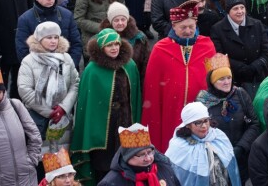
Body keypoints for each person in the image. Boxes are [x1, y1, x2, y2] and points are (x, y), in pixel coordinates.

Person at [141, 0, 216, 152]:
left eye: (191, 26)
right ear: (173, 26)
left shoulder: (207, 46)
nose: (188, 31)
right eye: (183, 27)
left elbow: (214, 79)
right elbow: (152, 89)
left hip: (199, 113)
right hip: (170, 110)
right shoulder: (161, 49)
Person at [70, 28, 141, 184]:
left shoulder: (129, 65)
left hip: (126, 120)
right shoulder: (92, 70)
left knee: (126, 162)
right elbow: (87, 105)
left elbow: (134, 97)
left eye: (116, 44)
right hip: (103, 127)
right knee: (105, 164)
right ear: (102, 48)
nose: (114, 48)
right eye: (110, 45)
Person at [195, 53, 260, 184]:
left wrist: (241, 147)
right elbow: (197, 133)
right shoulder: (202, 102)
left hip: (240, 157)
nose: (226, 82)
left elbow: (254, 123)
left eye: (229, 77)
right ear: (212, 82)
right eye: (221, 79)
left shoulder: (241, 94)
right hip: (216, 160)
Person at [17, 22, 79, 148]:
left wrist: (63, 108)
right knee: (40, 154)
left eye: (56, 37)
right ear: (39, 40)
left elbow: (75, 84)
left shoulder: (66, 58)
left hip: (63, 117)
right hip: (38, 117)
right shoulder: (29, 61)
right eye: (49, 38)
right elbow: (25, 89)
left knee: (61, 153)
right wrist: (49, 111)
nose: (53, 41)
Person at [210, 0, 268, 98]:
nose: (240, 12)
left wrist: (255, 66)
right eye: (235, 9)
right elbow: (219, 56)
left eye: (242, 7)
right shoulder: (217, 29)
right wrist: (240, 67)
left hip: (257, 77)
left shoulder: (257, 24)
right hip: (233, 79)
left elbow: (267, 52)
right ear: (228, 11)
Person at [165, 102, 241, 185]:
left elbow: (232, 172)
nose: (204, 126)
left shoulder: (219, 137)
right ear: (187, 125)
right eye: (198, 122)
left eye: (206, 120)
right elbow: (173, 177)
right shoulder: (178, 147)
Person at [16, 0, 82, 68]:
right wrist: (38, 70)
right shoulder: (25, 19)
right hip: (38, 71)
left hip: (66, 68)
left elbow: (76, 45)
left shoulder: (67, 15)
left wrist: (69, 66)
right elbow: (22, 50)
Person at [98, 123, 181, 185]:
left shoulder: (165, 169)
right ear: (127, 156)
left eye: (150, 152)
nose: (148, 158)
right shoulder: (111, 182)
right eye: (141, 154)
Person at [99, 2, 150, 81]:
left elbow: (145, 65)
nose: (120, 23)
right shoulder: (102, 38)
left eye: (123, 19)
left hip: (132, 81)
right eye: (116, 20)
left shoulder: (139, 38)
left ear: (127, 19)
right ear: (110, 21)